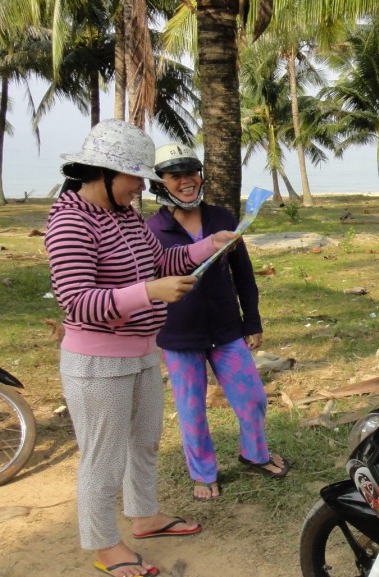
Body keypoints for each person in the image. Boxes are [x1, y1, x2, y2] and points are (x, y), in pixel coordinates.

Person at [45, 120, 238, 577]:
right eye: (133, 178)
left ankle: (145, 516)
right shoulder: (70, 221)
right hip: (96, 364)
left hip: (141, 353)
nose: (140, 188)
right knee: (102, 457)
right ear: (104, 173)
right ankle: (103, 544)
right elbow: (78, 301)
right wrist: (149, 293)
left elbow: (160, 260)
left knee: (145, 442)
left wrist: (209, 244)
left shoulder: (125, 217)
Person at [145, 143, 289, 503]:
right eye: (175, 176)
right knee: (192, 410)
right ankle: (203, 473)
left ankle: (255, 453)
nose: (186, 181)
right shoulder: (151, 230)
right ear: (160, 184)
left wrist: (251, 320)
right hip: (178, 336)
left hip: (226, 330)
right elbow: (144, 285)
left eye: (191, 172)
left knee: (253, 398)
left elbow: (242, 272)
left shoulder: (222, 218)